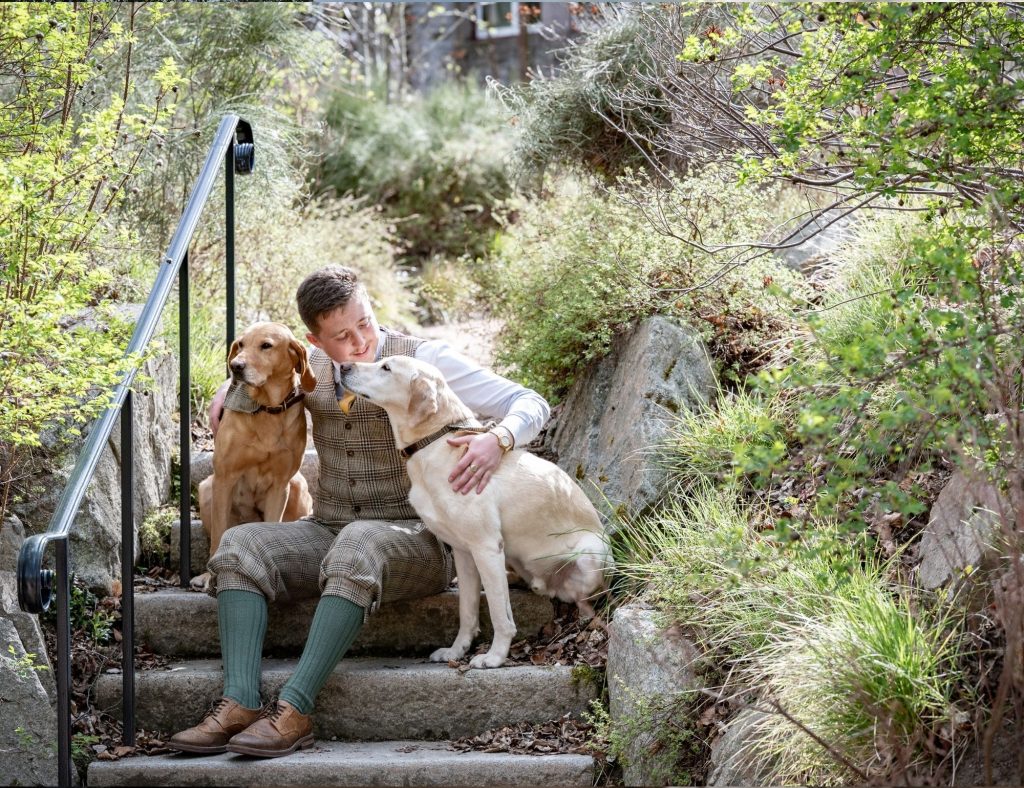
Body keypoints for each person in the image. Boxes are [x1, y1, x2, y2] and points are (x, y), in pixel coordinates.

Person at [167, 265, 549, 758]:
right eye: (342, 337)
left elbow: (528, 401)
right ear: (314, 340)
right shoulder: (309, 369)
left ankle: (294, 710)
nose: (361, 341)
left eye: (365, 323)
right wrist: (231, 390)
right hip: (328, 525)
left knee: (360, 542)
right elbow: (257, 368)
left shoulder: (424, 359)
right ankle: (239, 701)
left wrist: (498, 439)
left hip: (417, 535)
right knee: (240, 545)